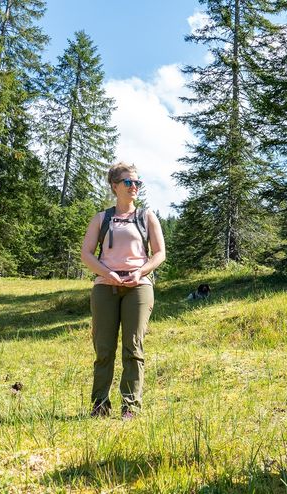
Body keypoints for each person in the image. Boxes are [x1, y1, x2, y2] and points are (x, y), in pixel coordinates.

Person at [81, 162, 165, 419]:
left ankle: (130, 406)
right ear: (115, 186)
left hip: (138, 287)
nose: (134, 187)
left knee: (133, 347)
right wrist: (108, 273)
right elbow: (86, 254)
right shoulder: (101, 218)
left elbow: (159, 253)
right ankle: (99, 406)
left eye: (137, 183)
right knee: (104, 348)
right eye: (128, 182)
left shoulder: (147, 216)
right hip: (105, 287)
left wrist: (140, 272)